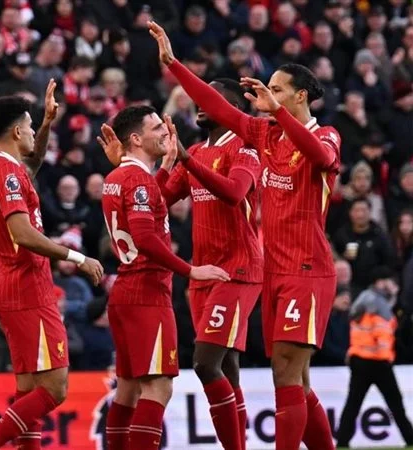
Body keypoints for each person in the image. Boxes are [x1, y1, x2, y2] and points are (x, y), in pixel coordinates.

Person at [149, 21, 341, 450]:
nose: (266, 95)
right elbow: (218, 106)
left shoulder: (325, 134)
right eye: (266, 89)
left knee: (285, 374)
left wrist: (277, 113)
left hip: (307, 270)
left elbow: (319, 157)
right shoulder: (263, 133)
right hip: (273, 271)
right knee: (297, 380)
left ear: (300, 96)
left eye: (277, 89)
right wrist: (173, 64)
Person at [0, 87, 104, 450]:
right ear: (16, 131)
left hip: (13, 284)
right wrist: (77, 257)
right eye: (29, 127)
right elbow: (23, 234)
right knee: (54, 388)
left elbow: (33, 163)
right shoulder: (5, 171)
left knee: (28, 390)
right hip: (28, 286)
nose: (32, 133)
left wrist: (45, 124)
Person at [96, 105, 229, 450]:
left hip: (126, 292)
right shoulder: (137, 179)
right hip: (147, 293)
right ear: (136, 139)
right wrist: (190, 269)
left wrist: (166, 166)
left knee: (128, 389)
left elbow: (145, 208)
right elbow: (144, 236)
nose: (165, 132)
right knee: (158, 387)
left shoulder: (118, 178)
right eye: (156, 127)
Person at [152, 78, 262, 450]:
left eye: (211, 98)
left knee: (204, 363)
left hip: (237, 270)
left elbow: (234, 192)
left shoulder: (245, 148)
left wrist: (186, 161)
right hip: (202, 273)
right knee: (227, 367)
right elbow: (159, 201)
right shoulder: (197, 151)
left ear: (232, 108)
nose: (200, 104)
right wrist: (163, 165)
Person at [336, 266, 413, 447]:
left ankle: (342, 441)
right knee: (396, 404)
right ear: (380, 282)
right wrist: (387, 358)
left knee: (353, 404)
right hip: (377, 360)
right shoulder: (378, 303)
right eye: (390, 282)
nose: (393, 286)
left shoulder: (363, 299)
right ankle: (410, 438)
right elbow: (382, 333)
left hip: (359, 358)